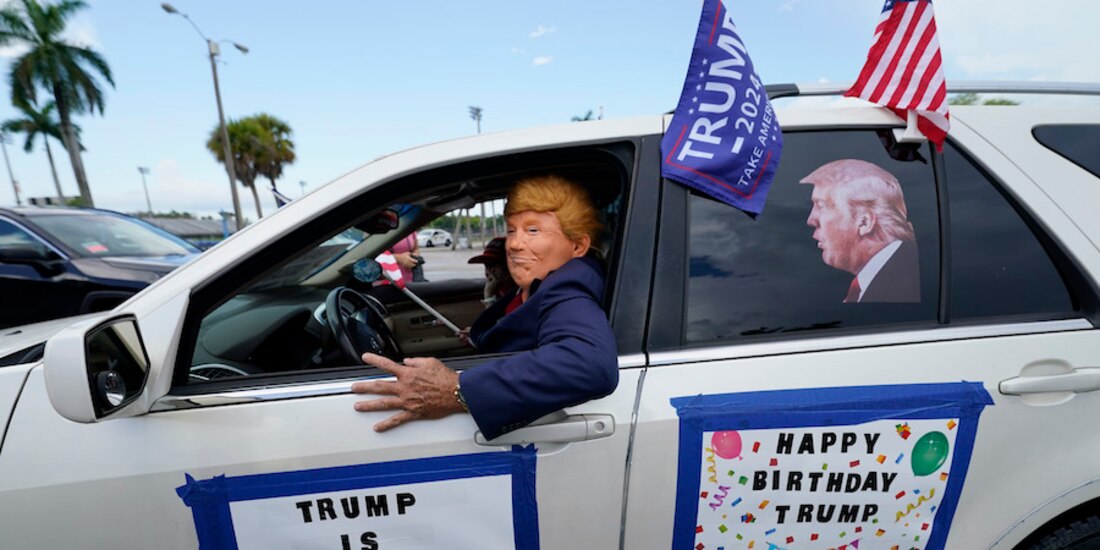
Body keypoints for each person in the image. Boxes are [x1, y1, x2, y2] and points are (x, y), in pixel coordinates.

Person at [351, 175, 618, 439]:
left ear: (578, 245)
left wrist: (456, 390)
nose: (513, 243)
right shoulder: (540, 280)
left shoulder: (568, 289)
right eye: (512, 230)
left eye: (533, 230)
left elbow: (590, 365)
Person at [802, 159, 920, 303]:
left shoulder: (901, 286)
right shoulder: (900, 274)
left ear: (865, 222)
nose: (810, 220)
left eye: (821, 205)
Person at [467, 236, 516, 307]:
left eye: (495, 264)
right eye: (486, 266)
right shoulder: (501, 292)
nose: (489, 271)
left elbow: (492, 318)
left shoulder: (522, 297)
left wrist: (489, 297)